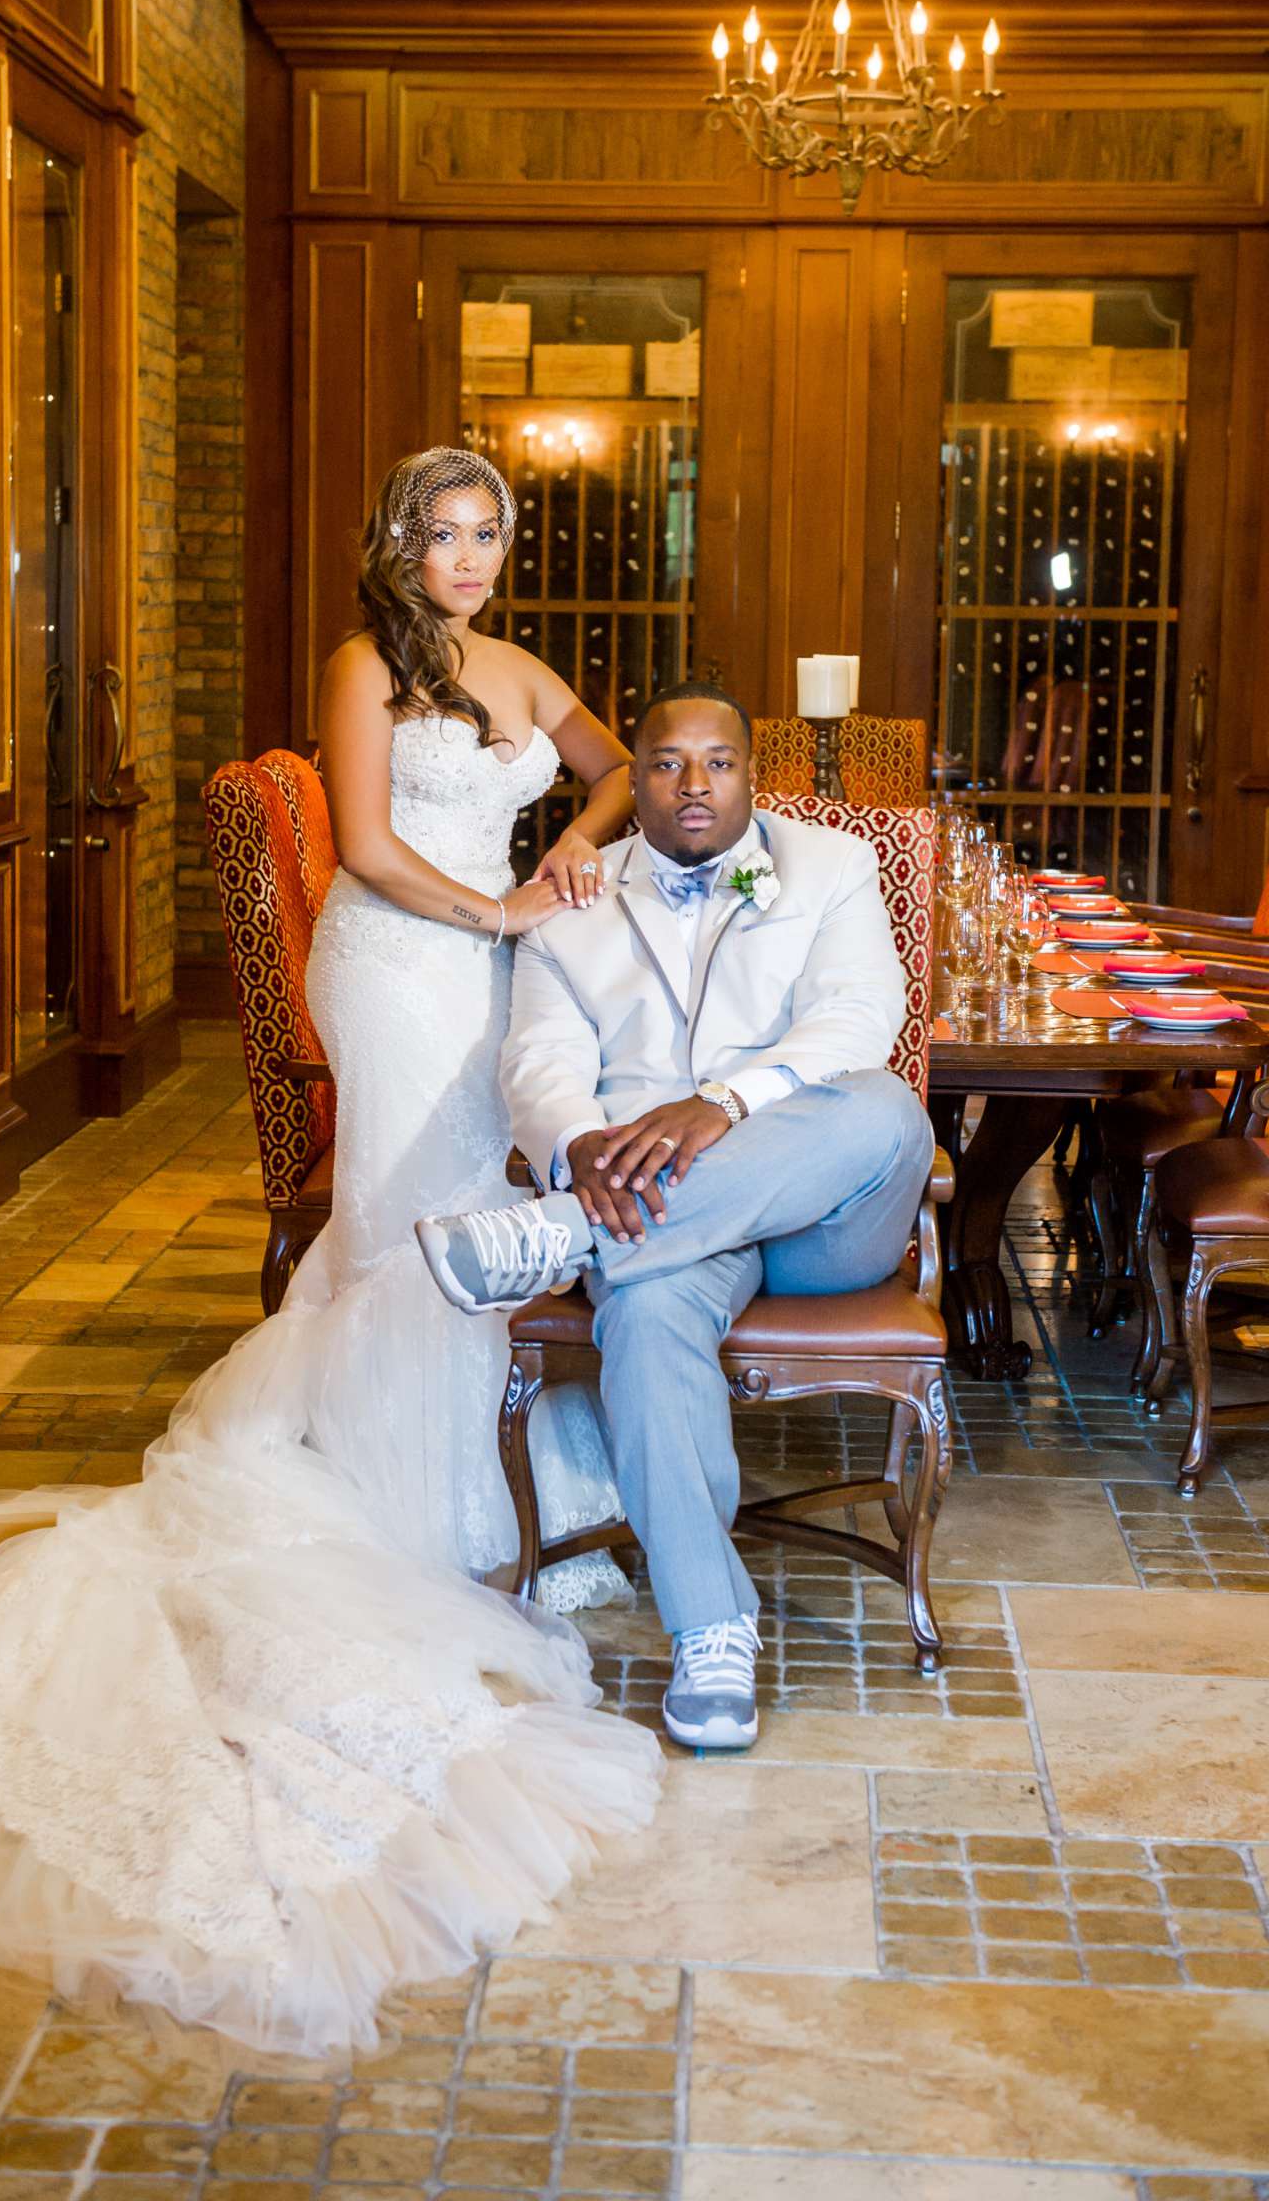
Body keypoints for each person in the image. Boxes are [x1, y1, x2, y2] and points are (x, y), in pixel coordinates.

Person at [0, 449, 660, 2058]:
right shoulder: (364, 663)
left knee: (474, 1214)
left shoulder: (520, 667)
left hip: (492, 965)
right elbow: (368, 851)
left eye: (487, 533)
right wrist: (505, 913)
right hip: (396, 970)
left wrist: (570, 849)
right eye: (440, 532)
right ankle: (407, 1497)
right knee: (403, 1219)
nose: (465, 555)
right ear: (399, 542)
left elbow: (614, 766)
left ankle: (486, 1464)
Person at [417, 681, 936, 1755]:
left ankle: (555, 1238)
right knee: (646, 1315)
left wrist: (724, 1106)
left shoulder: (831, 867)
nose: (693, 785)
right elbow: (538, 1060)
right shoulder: (570, 897)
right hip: (647, 1210)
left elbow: (858, 1018)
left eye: (718, 762)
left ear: (752, 774)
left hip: (817, 1223)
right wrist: (577, 1146)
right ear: (630, 778)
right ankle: (711, 1632)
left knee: (886, 1109)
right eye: (665, 763)